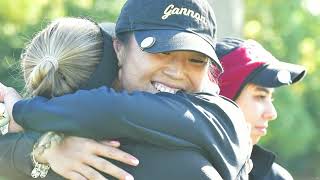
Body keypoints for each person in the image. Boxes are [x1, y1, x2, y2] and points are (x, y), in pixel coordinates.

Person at [0, 0, 252, 180]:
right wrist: (43, 152)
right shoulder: (87, 156)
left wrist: (19, 113)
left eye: (197, 60)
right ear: (118, 48)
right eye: (161, 51)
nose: (177, 72)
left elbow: (111, 110)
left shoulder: (218, 116)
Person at [216, 37, 306, 180]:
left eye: (271, 98)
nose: (272, 113)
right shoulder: (178, 167)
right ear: (222, 97)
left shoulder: (276, 178)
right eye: (260, 96)